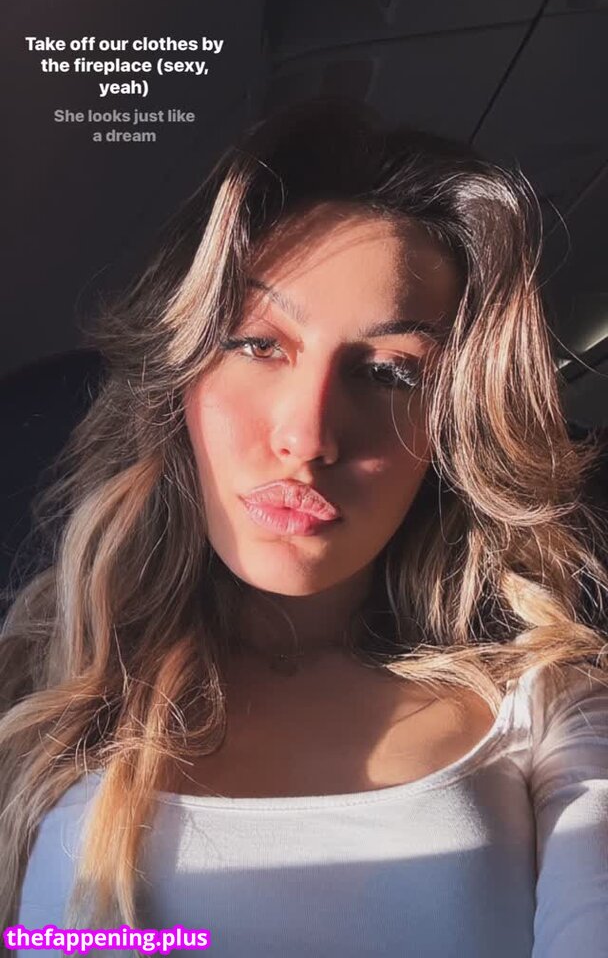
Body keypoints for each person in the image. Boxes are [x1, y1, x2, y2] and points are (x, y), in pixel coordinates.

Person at [1, 97, 607, 957]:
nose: (309, 436)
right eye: (258, 344)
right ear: (177, 383)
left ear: (453, 433)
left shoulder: (553, 712)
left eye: (390, 373)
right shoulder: (35, 691)